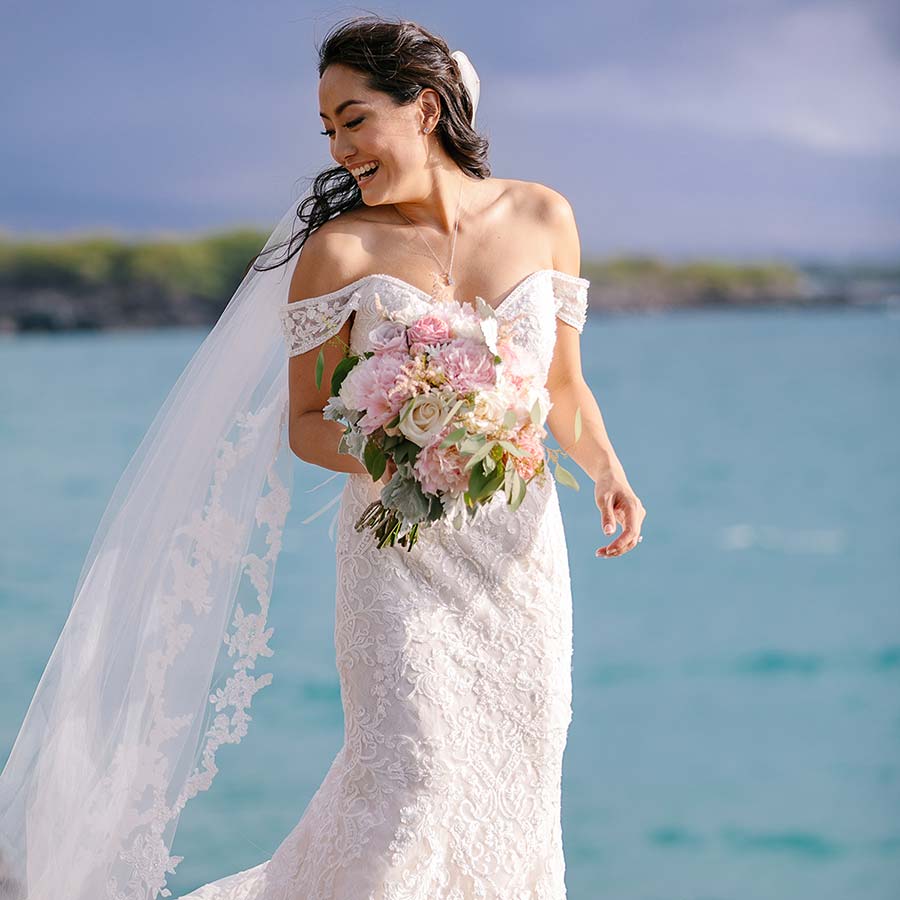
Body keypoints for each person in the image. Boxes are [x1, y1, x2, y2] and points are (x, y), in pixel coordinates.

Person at [0, 14, 645, 900]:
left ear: (422, 109)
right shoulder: (336, 252)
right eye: (329, 129)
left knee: (518, 787)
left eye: (354, 119)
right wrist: (406, 446)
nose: (340, 148)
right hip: (398, 561)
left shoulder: (544, 215)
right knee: (411, 782)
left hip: (520, 567)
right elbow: (307, 423)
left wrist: (607, 470)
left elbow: (563, 388)